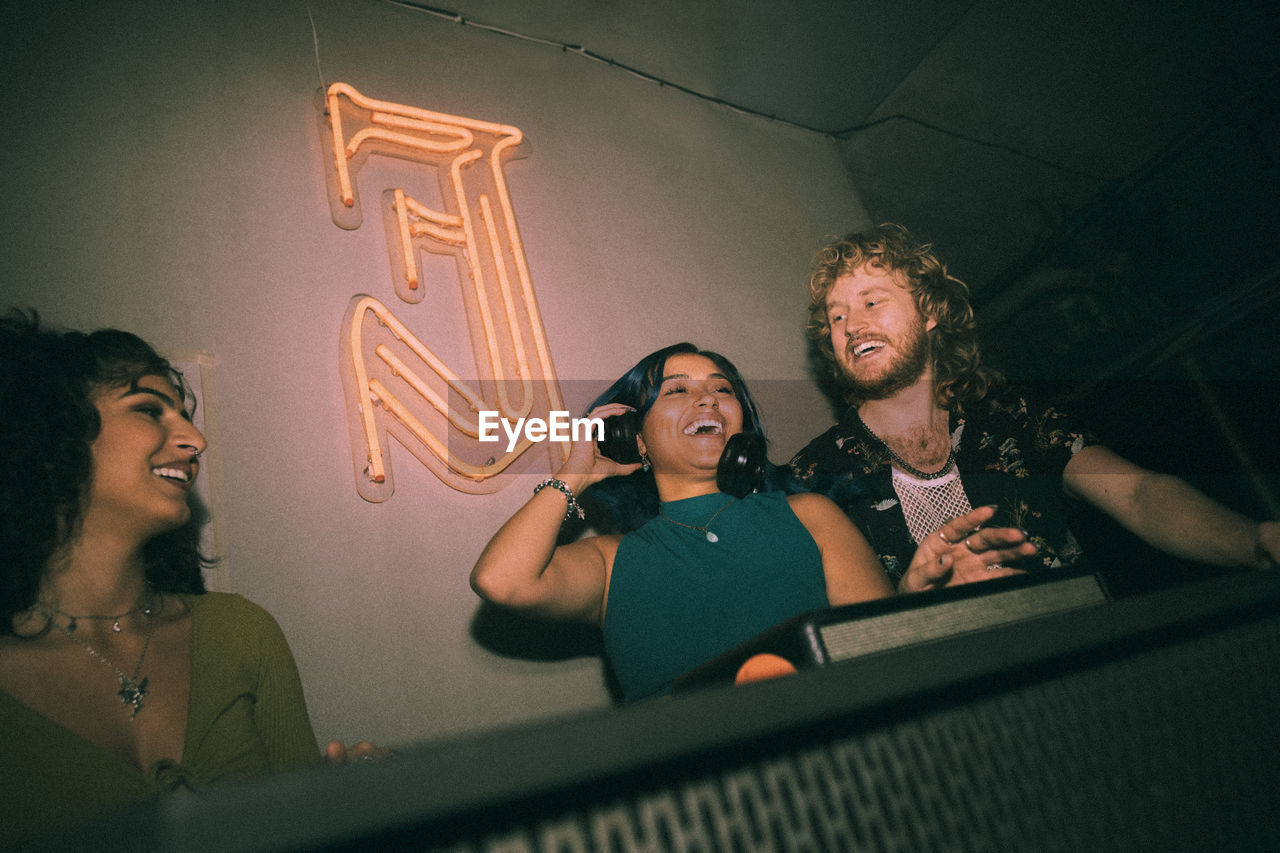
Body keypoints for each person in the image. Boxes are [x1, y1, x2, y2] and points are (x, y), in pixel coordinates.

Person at [471, 343, 1035, 703]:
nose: (709, 400)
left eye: (722, 389)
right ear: (634, 438)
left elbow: (878, 657)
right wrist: (576, 470)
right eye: (678, 391)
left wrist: (914, 595)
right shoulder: (612, 560)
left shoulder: (809, 514)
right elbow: (503, 580)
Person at [0, 311, 377, 847]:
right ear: (48, 436)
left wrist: (353, 807)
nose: (196, 439)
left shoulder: (241, 633)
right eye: (149, 409)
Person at [789, 223, 1280, 589]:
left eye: (871, 302)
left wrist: (1255, 542)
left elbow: (1138, 494)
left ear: (932, 313)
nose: (851, 325)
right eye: (837, 316)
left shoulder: (1014, 419)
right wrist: (907, 605)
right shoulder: (813, 474)